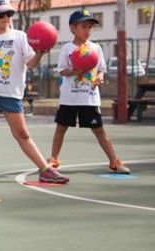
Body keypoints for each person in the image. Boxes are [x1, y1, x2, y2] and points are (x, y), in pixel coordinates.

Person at [0, 0, 69, 184]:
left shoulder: (19, 36)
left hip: (10, 93)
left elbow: (30, 64)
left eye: (8, 13)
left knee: (22, 134)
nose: (6, 17)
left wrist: (39, 54)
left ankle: (44, 170)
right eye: (0, 14)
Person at [46, 10, 130, 174]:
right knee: (61, 128)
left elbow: (101, 70)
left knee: (99, 130)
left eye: (90, 27)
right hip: (69, 98)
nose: (88, 30)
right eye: (84, 26)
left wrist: (99, 77)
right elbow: (62, 71)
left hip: (89, 98)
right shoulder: (67, 48)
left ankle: (114, 162)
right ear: (73, 28)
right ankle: (54, 160)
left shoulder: (96, 48)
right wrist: (73, 71)